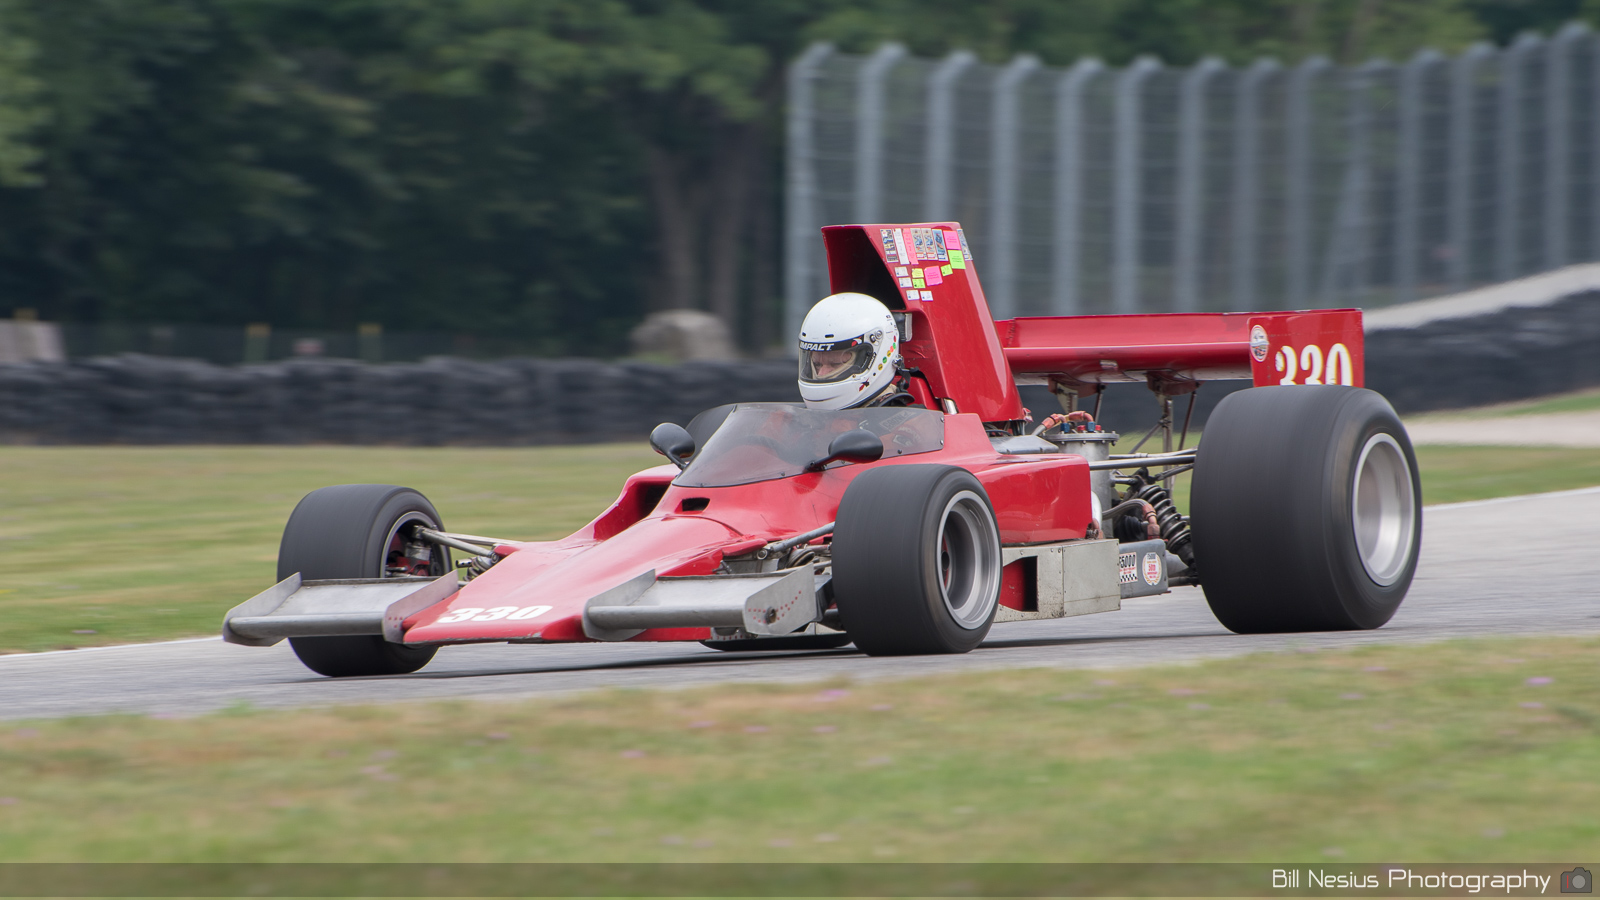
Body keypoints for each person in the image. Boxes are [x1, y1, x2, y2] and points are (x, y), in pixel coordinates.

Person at [797, 292, 916, 409]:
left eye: (836, 363)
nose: (821, 374)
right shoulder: (802, 420)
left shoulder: (907, 425)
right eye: (817, 364)